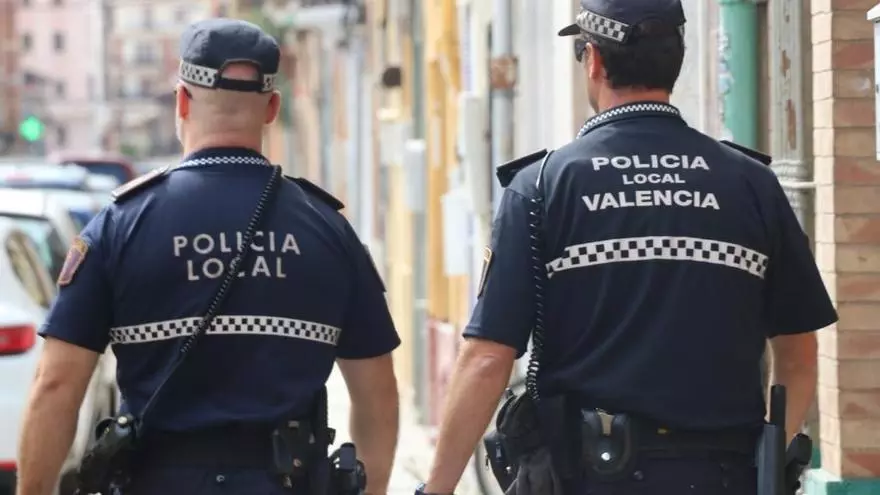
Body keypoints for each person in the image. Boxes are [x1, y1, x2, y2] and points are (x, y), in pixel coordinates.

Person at [416, 0, 836, 494]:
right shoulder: (752, 184)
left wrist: (436, 488)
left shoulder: (542, 186)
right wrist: (766, 464)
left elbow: (488, 359)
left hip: (589, 477)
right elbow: (799, 353)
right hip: (724, 478)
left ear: (593, 59)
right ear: (677, 58)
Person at [16, 18, 400, 495]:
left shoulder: (120, 225)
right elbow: (377, 394)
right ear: (272, 108)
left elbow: (56, 385)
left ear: (181, 100)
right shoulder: (328, 229)